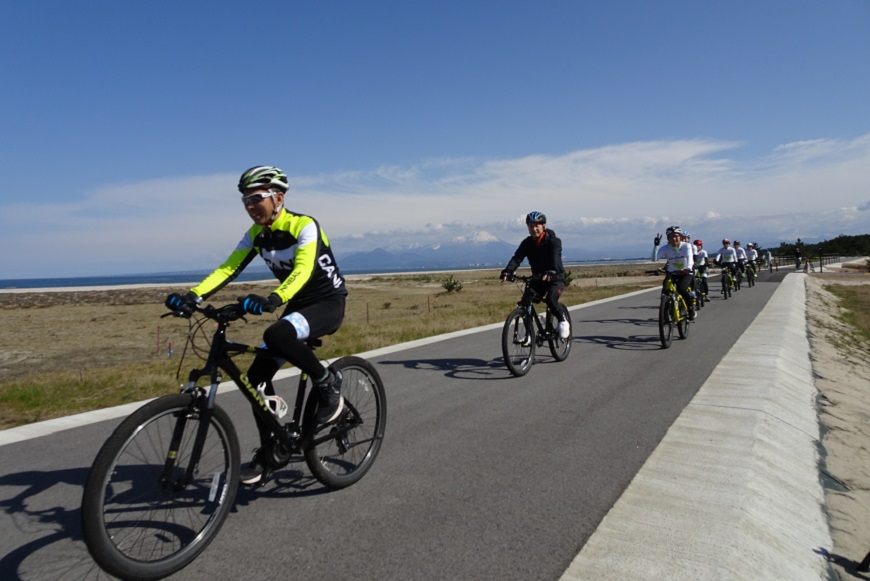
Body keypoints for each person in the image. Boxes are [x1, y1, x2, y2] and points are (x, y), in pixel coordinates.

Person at [164, 165, 348, 486]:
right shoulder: (256, 236)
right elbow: (228, 269)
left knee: (276, 333)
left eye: (256, 199)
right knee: (256, 379)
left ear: (278, 197)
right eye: (245, 201)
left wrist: (274, 299)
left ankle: (327, 382)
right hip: (296, 306)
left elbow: (303, 270)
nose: (250, 207)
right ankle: (270, 452)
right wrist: (193, 296)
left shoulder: (304, 225)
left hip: (327, 303)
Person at [500, 212, 570, 339]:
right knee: (525, 303)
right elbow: (517, 258)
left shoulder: (553, 242)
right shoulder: (527, 243)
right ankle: (529, 335)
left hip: (555, 278)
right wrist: (508, 271)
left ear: (543, 226)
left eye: (537, 226)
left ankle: (562, 321)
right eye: (531, 226)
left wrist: (552, 270)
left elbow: (556, 258)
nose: (534, 229)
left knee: (551, 300)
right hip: (539, 278)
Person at [652, 226, 696, 319]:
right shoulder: (665, 248)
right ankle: (665, 313)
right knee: (665, 292)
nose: (674, 239)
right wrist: (656, 246)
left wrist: (688, 268)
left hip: (686, 272)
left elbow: (690, 258)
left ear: (680, 237)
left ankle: (690, 308)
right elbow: (654, 259)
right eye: (671, 237)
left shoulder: (686, 246)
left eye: (676, 236)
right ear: (668, 238)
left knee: (681, 289)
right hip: (672, 272)